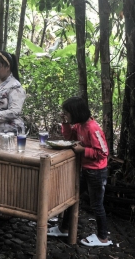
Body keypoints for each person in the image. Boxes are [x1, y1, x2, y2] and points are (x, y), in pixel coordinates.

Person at [47, 96, 112, 247]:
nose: (66, 115)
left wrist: (84, 150)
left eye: (68, 113)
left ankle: (103, 237)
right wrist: (65, 123)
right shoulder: (79, 126)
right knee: (71, 197)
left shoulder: (92, 127)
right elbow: (69, 136)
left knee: (97, 204)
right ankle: (64, 228)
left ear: (76, 112)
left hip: (97, 172)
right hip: (86, 169)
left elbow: (103, 152)